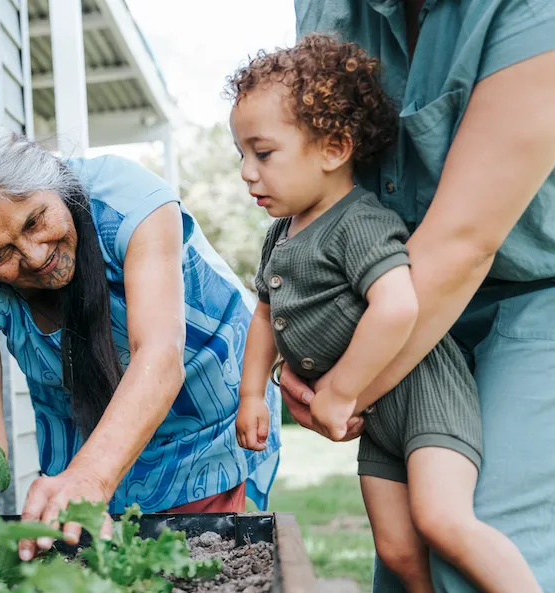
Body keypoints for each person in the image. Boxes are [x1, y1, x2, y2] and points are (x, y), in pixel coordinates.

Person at [230, 34, 541, 593]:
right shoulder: (281, 234)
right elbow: (263, 313)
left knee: (443, 522)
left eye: (264, 153)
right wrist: (254, 392)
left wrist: (342, 390)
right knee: (397, 550)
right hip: (377, 419)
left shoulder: (359, 222)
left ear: (332, 149)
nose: (248, 173)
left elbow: (398, 306)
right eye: (242, 156)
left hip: (422, 391)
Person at [0, 122, 281, 562]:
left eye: (35, 221)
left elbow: (161, 357)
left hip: (198, 425)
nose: (34, 256)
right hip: (81, 436)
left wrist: (90, 478)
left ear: (53, 178)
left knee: (189, 564)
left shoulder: (128, 201)